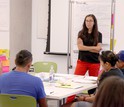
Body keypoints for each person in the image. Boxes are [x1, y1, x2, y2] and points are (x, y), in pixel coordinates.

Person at [66, 14, 102, 103]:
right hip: (82, 61)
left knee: (93, 84)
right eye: (87, 20)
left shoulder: (98, 34)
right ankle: (69, 101)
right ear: (84, 22)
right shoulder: (81, 33)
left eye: (90, 21)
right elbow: (80, 48)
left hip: (95, 63)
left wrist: (86, 48)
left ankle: (91, 102)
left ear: (94, 22)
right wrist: (92, 48)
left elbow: (98, 49)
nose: (88, 22)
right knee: (75, 81)